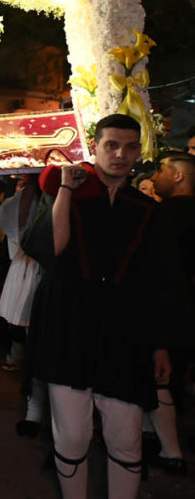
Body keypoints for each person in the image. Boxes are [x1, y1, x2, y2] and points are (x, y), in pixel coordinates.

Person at [23, 114, 187, 499]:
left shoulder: (146, 209)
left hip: (125, 335)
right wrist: (66, 189)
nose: (120, 154)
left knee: (126, 437)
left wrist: (160, 344)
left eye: (129, 147)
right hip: (68, 328)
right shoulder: (68, 195)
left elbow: (158, 282)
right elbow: (51, 249)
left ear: (139, 151)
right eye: (111, 145)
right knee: (72, 435)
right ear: (94, 147)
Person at [147, 151, 195, 475]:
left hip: (168, 311)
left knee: (161, 376)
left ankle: (169, 450)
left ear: (178, 175)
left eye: (161, 170)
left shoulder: (162, 216)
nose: (154, 177)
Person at [0, 177, 47, 437]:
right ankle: (34, 409)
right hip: (32, 271)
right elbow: (20, 232)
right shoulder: (24, 199)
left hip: (55, 275)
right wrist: (30, 191)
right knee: (34, 345)